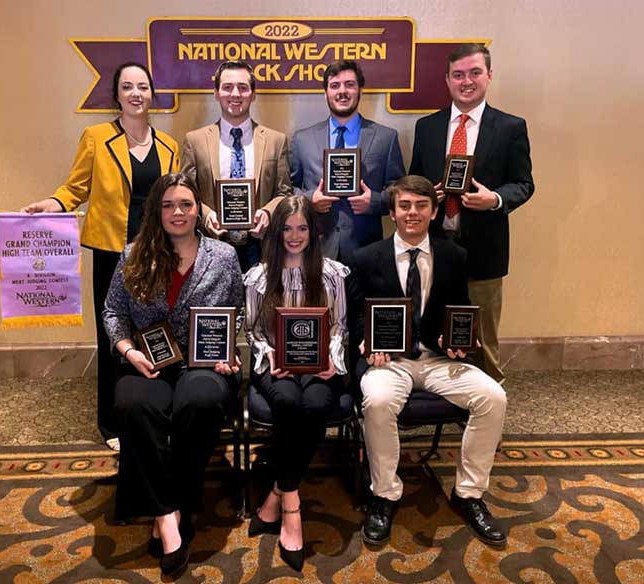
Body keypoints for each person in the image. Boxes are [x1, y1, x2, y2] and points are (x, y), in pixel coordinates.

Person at [22, 62, 180, 449]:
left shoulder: (169, 146)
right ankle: (112, 424)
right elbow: (76, 187)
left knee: (161, 332)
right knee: (114, 335)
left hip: (157, 253)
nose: (136, 93)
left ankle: (157, 412)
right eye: (128, 87)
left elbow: (177, 200)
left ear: (152, 95)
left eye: (143, 86)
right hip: (112, 251)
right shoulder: (96, 137)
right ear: (117, 95)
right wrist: (53, 203)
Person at [347, 175, 508, 548]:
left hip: (438, 360)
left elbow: (459, 311)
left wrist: (456, 341)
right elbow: (355, 317)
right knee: (379, 400)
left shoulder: (454, 255)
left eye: (421, 206)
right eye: (404, 206)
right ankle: (385, 495)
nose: (412, 213)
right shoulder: (367, 257)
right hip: (391, 362)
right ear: (392, 212)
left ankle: (468, 493)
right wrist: (367, 342)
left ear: (434, 212)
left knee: (492, 397)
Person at [102, 172, 243, 577]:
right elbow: (113, 312)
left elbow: (239, 313)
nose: (177, 212)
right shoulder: (134, 255)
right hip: (148, 363)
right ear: (156, 212)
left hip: (204, 365)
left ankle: (167, 504)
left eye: (185, 204)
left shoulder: (224, 256)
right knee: (132, 405)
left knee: (199, 401)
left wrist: (229, 352)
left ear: (199, 210)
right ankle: (169, 515)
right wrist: (127, 351)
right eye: (168, 205)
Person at [409, 43, 534, 382]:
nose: (467, 81)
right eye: (458, 75)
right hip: (434, 246)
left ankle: (489, 408)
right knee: (433, 327)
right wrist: (426, 196)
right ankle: (446, 397)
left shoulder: (510, 127)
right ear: (448, 80)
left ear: (489, 76)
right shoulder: (427, 127)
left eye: (475, 73)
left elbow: (524, 184)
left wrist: (493, 198)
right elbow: (414, 179)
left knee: (482, 337)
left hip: (485, 249)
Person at [243, 195, 349, 572]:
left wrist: (330, 362)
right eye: (286, 228)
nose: (294, 235)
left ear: (313, 232)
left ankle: (277, 493)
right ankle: (293, 506)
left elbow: (339, 327)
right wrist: (270, 355)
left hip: (319, 367)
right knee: (288, 404)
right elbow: (253, 331)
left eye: (302, 228)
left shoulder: (332, 274)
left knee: (318, 406)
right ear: (275, 232)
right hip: (276, 364)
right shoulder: (259, 278)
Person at [290, 60, 405, 264]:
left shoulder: (385, 137)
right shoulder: (302, 139)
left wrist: (375, 202)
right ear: (325, 93)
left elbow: (399, 188)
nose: (342, 91)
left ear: (360, 89)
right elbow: (288, 188)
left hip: (366, 251)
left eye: (349, 84)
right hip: (316, 249)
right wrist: (309, 199)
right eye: (335, 86)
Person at [181, 61, 292, 272]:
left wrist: (268, 213)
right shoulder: (194, 141)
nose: (235, 94)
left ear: (253, 94)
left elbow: (284, 192)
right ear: (216, 92)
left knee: (258, 304)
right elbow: (186, 193)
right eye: (227, 87)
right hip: (211, 245)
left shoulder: (276, 140)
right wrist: (206, 215)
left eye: (243, 87)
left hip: (260, 246)